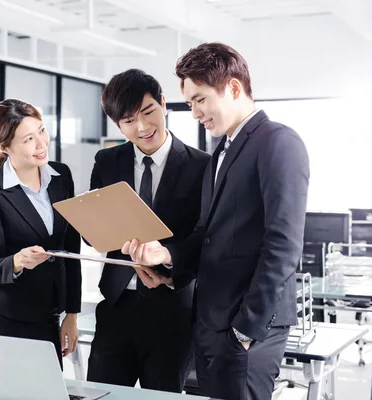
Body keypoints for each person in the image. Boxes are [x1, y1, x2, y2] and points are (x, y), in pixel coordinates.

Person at [122, 43, 310, 400]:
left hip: (246, 329)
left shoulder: (278, 142)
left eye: (200, 99)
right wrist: (164, 257)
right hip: (211, 324)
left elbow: (283, 244)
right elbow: (205, 234)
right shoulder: (220, 153)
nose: (194, 112)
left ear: (234, 89)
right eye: (190, 103)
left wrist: (246, 329)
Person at [86, 69, 210, 392]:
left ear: (164, 104)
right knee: (100, 395)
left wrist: (168, 260)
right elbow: (93, 234)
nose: (142, 128)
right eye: (128, 121)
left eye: (148, 112)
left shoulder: (201, 166)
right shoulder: (106, 162)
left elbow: (203, 237)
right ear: (117, 125)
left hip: (171, 312)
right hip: (116, 308)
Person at [0, 98, 81, 368]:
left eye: (42, 131)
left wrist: (72, 314)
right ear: (3, 147)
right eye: (28, 139)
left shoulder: (61, 177)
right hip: (6, 317)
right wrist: (18, 261)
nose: (42, 143)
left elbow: (71, 248)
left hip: (49, 314)